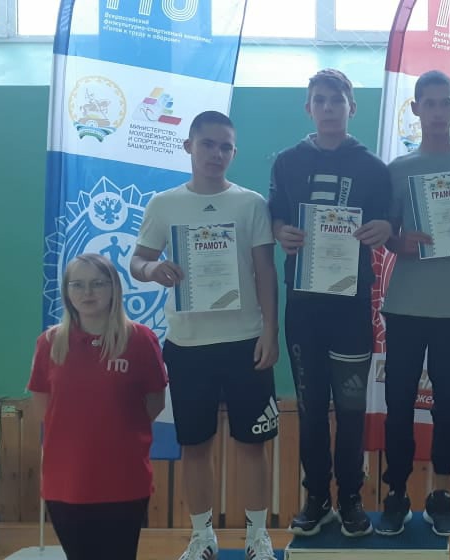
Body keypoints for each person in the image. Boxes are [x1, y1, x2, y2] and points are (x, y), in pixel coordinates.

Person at [130, 110, 280, 560]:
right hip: (188, 345)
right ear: (189, 147)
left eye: (225, 146)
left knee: (253, 445)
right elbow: (137, 261)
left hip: (245, 342)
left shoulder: (251, 203)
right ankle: (202, 536)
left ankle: (257, 536)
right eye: (208, 144)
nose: (217, 153)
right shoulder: (165, 204)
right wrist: (153, 269)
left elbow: (265, 271)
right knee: (195, 446)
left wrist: (270, 331)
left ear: (234, 152)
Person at [268, 68, 393, 537]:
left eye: (336, 100)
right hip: (303, 306)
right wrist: (281, 232)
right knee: (312, 406)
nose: (327, 108)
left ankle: (352, 498)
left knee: (352, 406)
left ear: (350, 108)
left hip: (351, 305)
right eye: (319, 100)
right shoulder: (286, 163)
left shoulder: (373, 167)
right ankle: (317, 496)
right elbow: (276, 218)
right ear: (308, 108)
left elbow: (389, 223)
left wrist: (385, 228)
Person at [378, 69, 450, 537]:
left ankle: (441, 494)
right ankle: (396, 494)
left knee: (448, 406)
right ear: (415, 109)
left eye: (444, 102)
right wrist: (398, 243)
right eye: (427, 103)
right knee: (398, 404)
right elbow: (387, 234)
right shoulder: (398, 169)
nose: (436, 111)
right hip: (404, 305)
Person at [27, 253, 168, 560]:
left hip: (124, 480)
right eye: (77, 284)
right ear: (66, 291)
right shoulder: (49, 343)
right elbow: (43, 410)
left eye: (97, 284)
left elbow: (154, 402)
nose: (87, 292)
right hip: (66, 483)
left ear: (113, 287)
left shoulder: (140, 340)